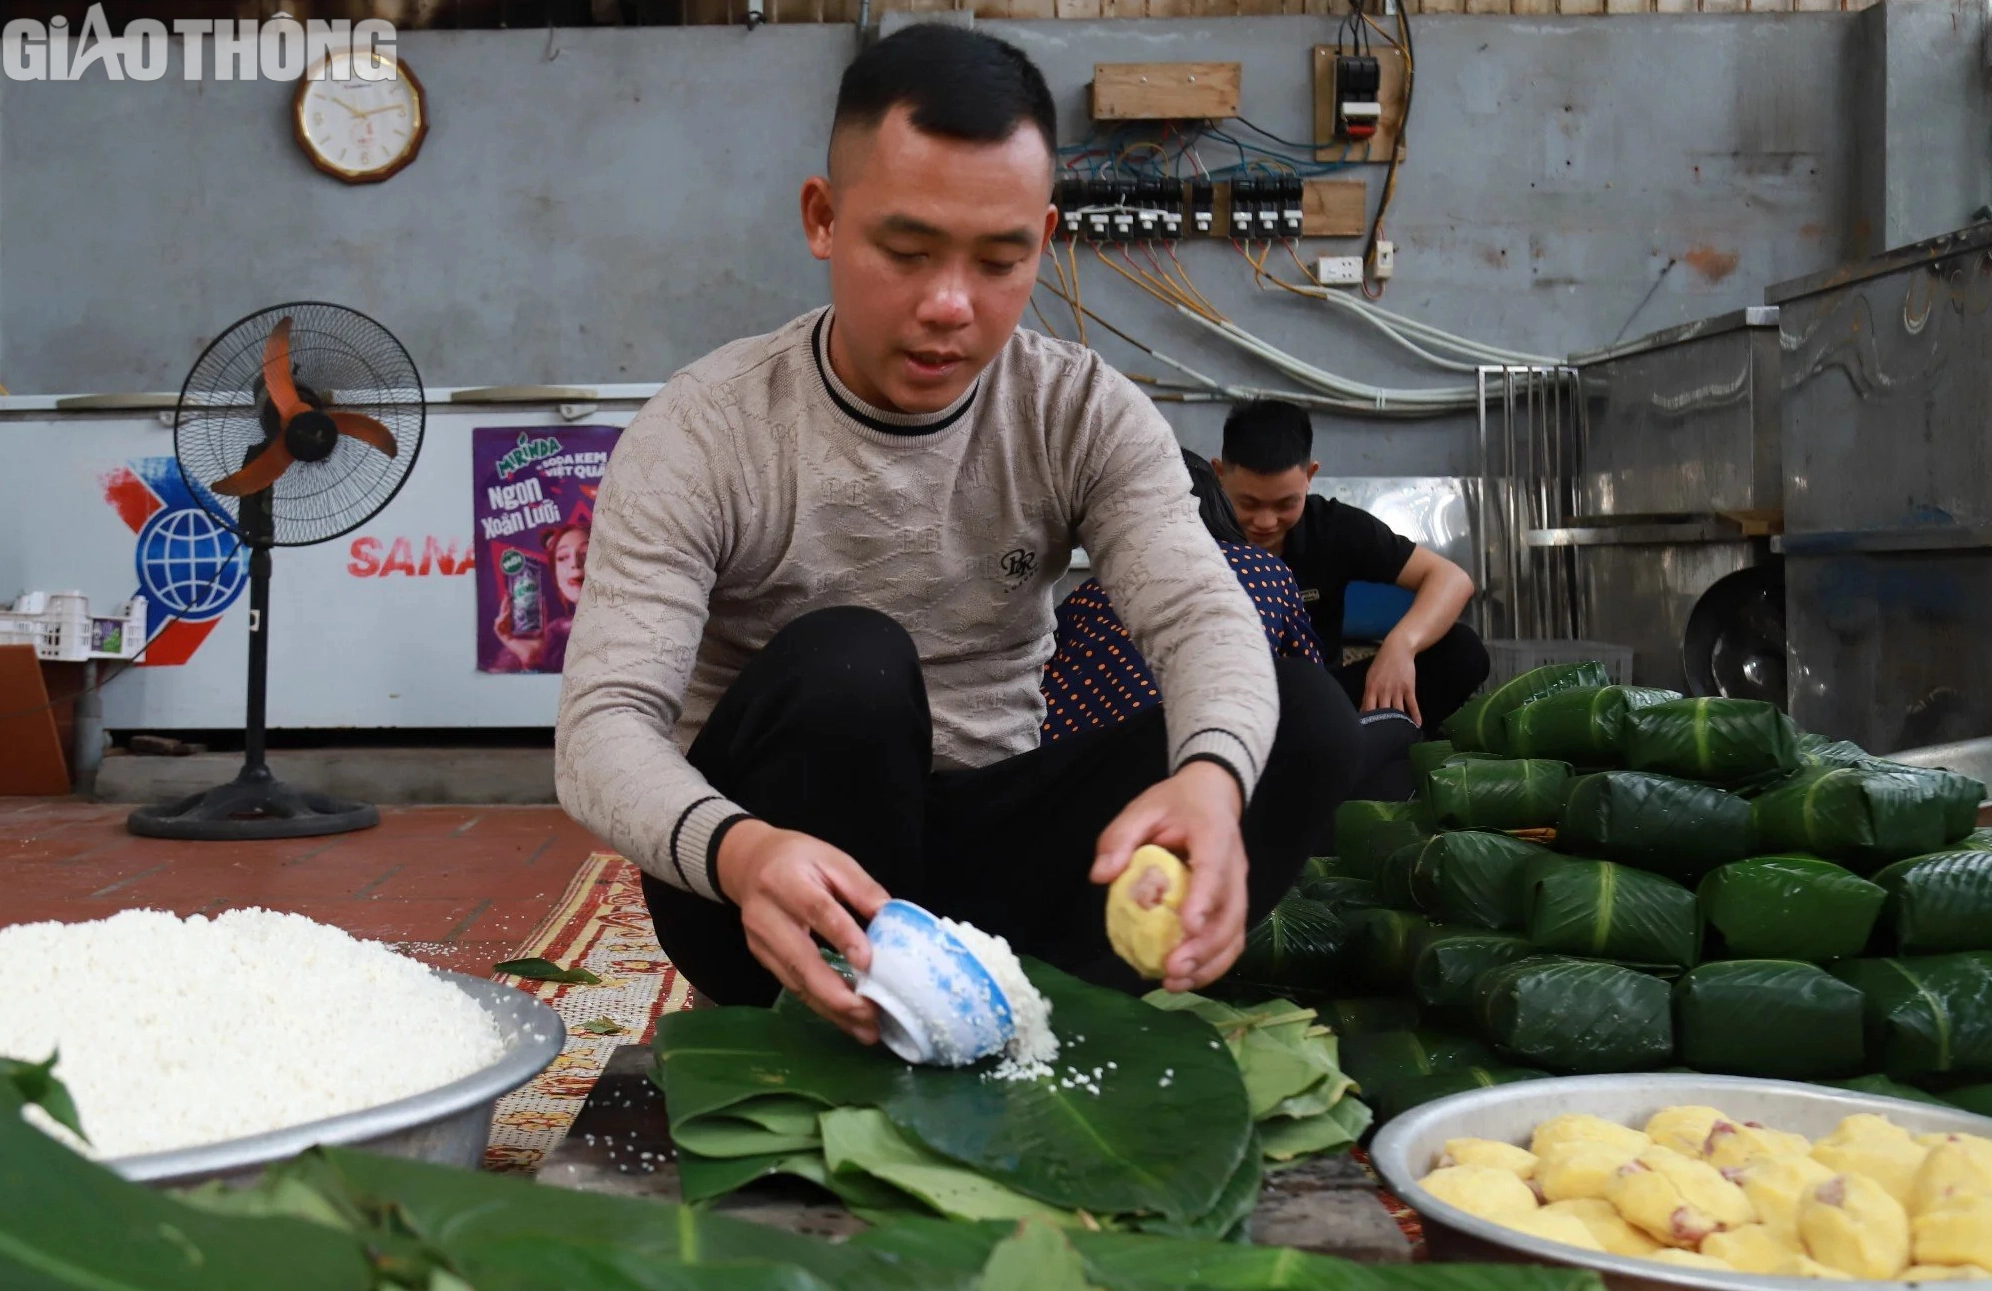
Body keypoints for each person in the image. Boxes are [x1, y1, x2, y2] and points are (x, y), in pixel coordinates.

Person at [556, 25, 1365, 1045]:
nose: (949, 306)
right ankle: (832, 1022)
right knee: (851, 662)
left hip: (984, 861)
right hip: (768, 882)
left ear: (1045, 237)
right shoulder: (709, 427)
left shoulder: (1080, 412)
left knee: (1300, 715)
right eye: (906, 250)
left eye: (999, 260)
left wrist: (1212, 780)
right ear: (823, 217)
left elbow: (1202, 616)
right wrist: (740, 852)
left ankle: (1026, 1025)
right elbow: (601, 729)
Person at [1215, 399, 1489, 735]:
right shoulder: (1191, 531)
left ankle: (1370, 741)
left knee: (1462, 652)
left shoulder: (1333, 528)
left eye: (1286, 503)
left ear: (1310, 476)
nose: (1266, 521)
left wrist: (1401, 645)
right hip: (1219, 709)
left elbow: (1452, 579)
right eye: (1248, 503)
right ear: (1219, 475)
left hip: (1323, 706)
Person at [1041, 449, 1324, 744]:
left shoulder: (1088, 596)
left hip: (1067, 767)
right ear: (1220, 506)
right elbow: (1310, 679)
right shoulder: (1264, 567)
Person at [492, 517, 590, 674]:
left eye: (586, 553)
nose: (574, 563)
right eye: (562, 557)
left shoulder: (633, 632)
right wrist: (532, 661)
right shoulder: (552, 638)